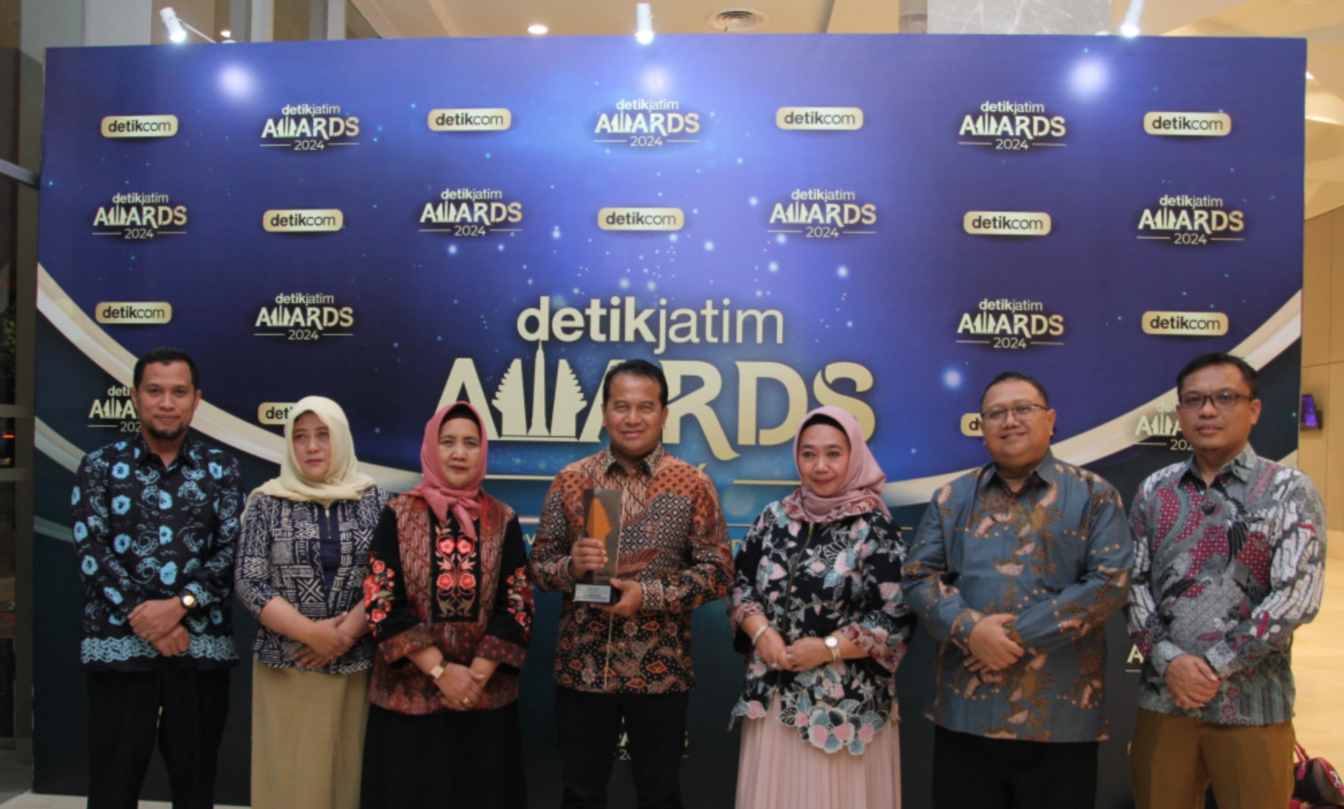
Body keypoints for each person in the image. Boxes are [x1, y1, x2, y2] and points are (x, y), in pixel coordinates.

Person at [901, 370, 1132, 809]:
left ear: (1050, 420)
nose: (1009, 421)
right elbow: (917, 577)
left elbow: (1110, 583)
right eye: (996, 413)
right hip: (966, 715)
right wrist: (970, 629)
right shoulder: (952, 498)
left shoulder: (1094, 495)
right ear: (982, 426)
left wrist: (1011, 637)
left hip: (1060, 717)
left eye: (1023, 409)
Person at [528, 359, 734, 809]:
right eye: (621, 406)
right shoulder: (571, 480)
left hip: (661, 673)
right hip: (582, 669)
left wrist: (649, 596)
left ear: (664, 414)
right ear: (604, 412)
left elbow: (718, 573)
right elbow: (537, 567)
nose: (633, 418)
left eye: (645, 407)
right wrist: (570, 568)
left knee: (660, 796)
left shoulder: (693, 484)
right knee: (580, 794)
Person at [1126, 352, 1326, 809]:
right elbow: (1133, 583)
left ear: (1253, 409)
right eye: (1195, 400)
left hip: (1253, 704)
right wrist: (1169, 661)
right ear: (1179, 413)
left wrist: (1214, 665)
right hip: (1165, 698)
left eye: (1225, 398)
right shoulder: (1155, 490)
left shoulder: (1289, 490)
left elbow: (1296, 598)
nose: (1208, 410)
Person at [70, 346, 242, 809]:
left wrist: (180, 606)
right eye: (155, 391)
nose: (167, 402)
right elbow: (91, 551)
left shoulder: (222, 469)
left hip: (199, 653)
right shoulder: (98, 466)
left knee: (195, 789)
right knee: (112, 789)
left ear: (196, 399)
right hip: (120, 653)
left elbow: (232, 552)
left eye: (179, 392)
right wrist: (146, 619)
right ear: (134, 396)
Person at [728, 406, 914, 809]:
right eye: (808, 454)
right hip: (773, 698)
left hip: (844, 709)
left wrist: (828, 648)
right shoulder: (774, 518)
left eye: (833, 453)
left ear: (854, 456)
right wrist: (761, 633)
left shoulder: (874, 527)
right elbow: (740, 583)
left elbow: (896, 615)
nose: (820, 466)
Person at [360, 401, 533, 809]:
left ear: (482, 451)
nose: (459, 453)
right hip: (408, 703)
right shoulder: (398, 514)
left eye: (470, 443)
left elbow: (517, 602)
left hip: (483, 699)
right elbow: (381, 601)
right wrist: (440, 672)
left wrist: (472, 679)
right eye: (448, 442)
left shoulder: (503, 518)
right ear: (430, 448)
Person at [235, 396, 392, 809]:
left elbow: (388, 578)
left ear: (340, 438)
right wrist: (311, 634)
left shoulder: (376, 501)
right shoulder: (266, 502)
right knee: (289, 777)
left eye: (323, 435)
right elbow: (249, 580)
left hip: (354, 664)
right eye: (300, 437)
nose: (312, 447)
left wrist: (342, 636)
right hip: (286, 665)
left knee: (345, 772)